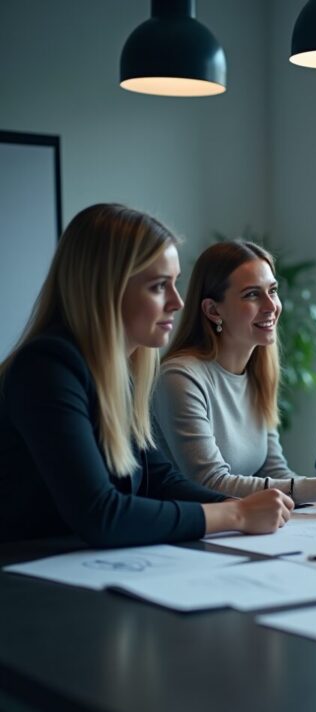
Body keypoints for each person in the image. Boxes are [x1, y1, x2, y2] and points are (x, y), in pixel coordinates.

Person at [0, 204, 293, 547]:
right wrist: (237, 515)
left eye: (175, 284)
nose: (178, 302)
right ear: (106, 289)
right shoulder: (47, 369)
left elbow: (159, 478)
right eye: (158, 286)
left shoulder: (114, 372)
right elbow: (101, 514)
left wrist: (233, 505)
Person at [153, 240, 316, 505]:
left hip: (238, 529)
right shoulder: (180, 377)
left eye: (273, 290)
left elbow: (273, 471)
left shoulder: (257, 373)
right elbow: (210, 482)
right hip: (187, 536)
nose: (271, 306)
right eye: (252, 294)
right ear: (213, 310)